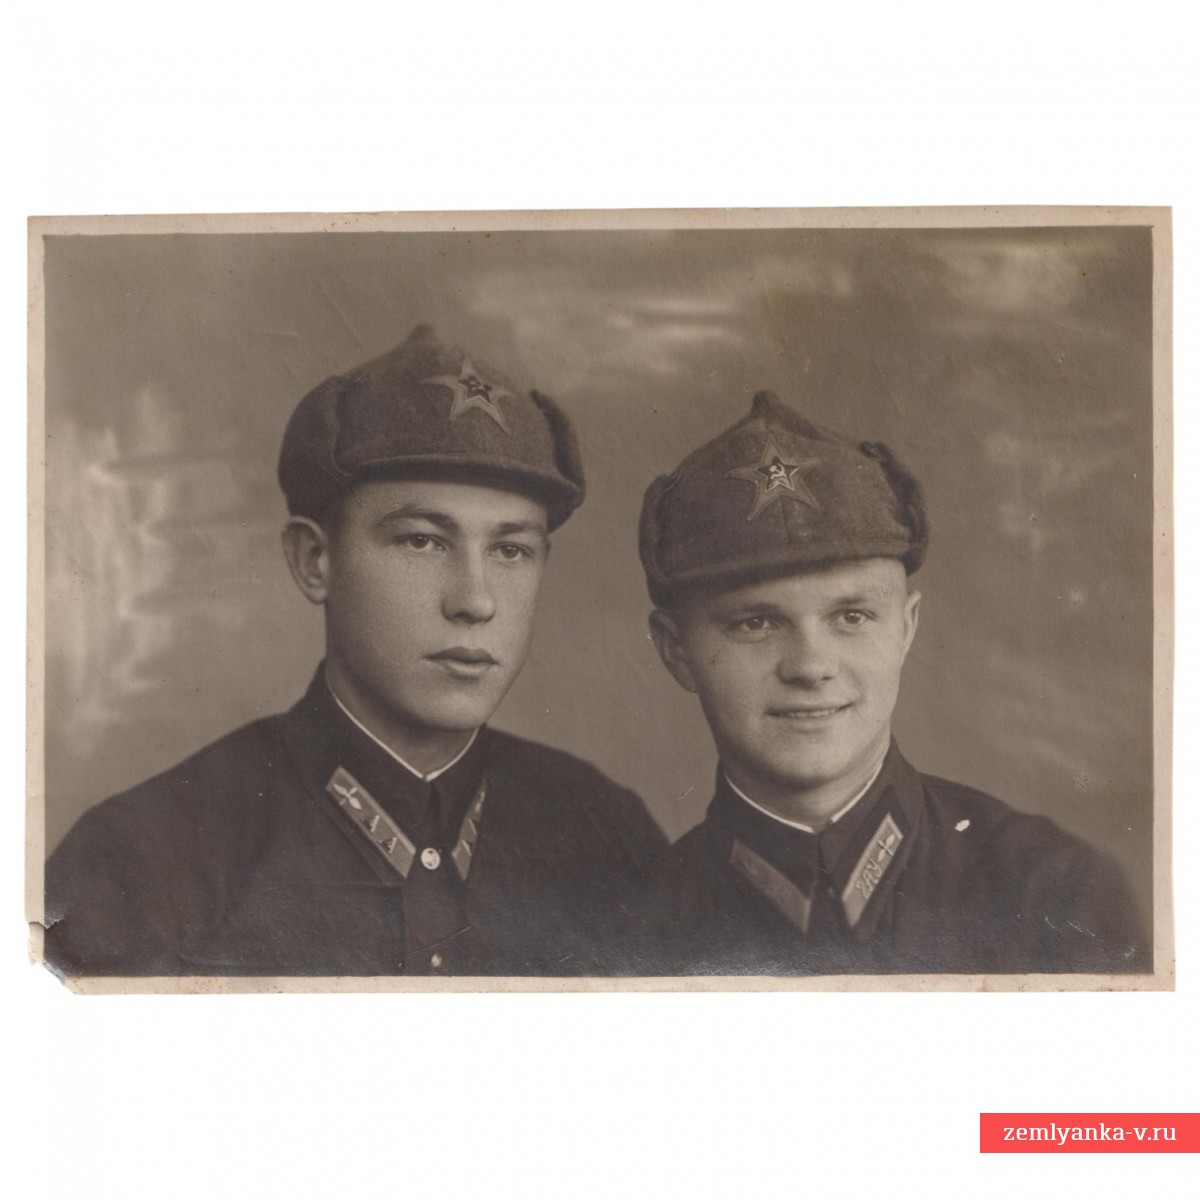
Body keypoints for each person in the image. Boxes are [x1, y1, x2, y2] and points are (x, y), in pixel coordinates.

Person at [44, 325, 665, 978]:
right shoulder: (143, 860)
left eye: (510, 550)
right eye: (422, 541)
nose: (476, 600)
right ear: (314, 561)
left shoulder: (610, 834)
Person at [637, 390, 1148, 975]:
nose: (811, 666)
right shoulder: (629, 926)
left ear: (906, 628)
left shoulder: (1053, 893)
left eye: (852, 617)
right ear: (676, 651)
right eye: (756, 623)